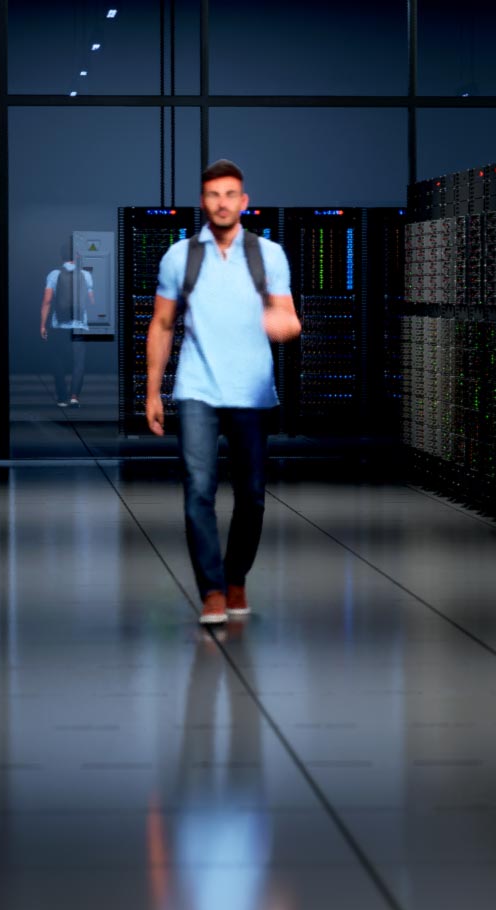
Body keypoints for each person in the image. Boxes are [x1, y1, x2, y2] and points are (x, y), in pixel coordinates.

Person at [147, 159, 302, 625]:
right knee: (198, 490)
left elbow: (289, 316)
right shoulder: (180, 257)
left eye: (231, 194)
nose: (222, 203)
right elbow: (161, 324)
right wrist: (153, 392)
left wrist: (284, 325)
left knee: (252, 495)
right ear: (203, 201)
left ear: (244, 201)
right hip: (196, 389)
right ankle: (212, 590)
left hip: (253, 393)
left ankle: (237, 580)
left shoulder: (268, 255)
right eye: (214, 195)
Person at [40, 243, 94, 407]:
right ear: (77, 256)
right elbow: (92, 303)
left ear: (61, 256)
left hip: (59, 325)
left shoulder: (54, 274)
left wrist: (43, 325)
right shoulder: (86, 274)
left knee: (58, 361)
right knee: (79, 362)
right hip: (79, 325)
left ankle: (62, 398)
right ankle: (74, 397)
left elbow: (47, 301)